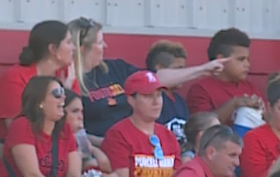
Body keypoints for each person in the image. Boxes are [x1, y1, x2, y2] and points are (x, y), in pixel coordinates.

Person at [68, 17, 221, 138]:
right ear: (83, 49)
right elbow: (71, 129)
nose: (106, 46)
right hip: (99, 148)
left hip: (133, 141)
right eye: (100, 43)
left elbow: (156, 79)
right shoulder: (69, 80)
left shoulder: (116, 69)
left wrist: (203, 69)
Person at [101, 70, 182, 177]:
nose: (156, 102)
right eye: (147, 96)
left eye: (159, 95)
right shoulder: (119, 134)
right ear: (131, 100)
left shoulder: (168, 135)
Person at [0, 20, 75, 145]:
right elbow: (17, 130)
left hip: (51, 145)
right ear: (52, 49)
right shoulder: (15, 78)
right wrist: (65, 92)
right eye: (68, 42)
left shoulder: (64, 75)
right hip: (5, 144)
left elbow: (74, 125)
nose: (73, 47)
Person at [186, 27, 263, 125]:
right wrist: (234, 104)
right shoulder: (200, 90)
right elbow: (201, 127)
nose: (247, 64)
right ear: (221, 59)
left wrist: (262, 109)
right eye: (241, 59)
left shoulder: (249, 87)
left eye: (248, 59)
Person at [146, 40, 193, 145]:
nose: (182, 74)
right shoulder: (152, 100)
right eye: (177, 69)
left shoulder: (180, 101)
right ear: (160, 69)